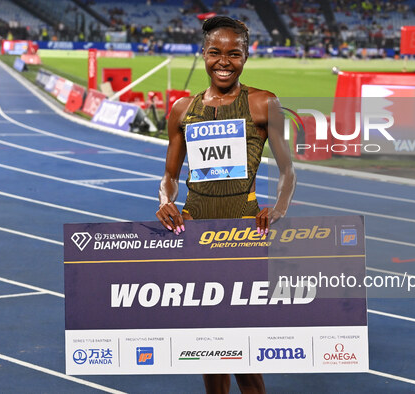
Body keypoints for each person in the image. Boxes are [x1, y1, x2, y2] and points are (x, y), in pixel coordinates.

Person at [155, 16, 296, 394]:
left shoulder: (265, 104)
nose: (224, 61)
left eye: (234, 54)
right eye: (215, 52)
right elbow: (168, 176)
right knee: (207, 344)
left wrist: (279, 207)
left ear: (246, 57)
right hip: (193, 231)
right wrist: (166, 200)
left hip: (244, 232)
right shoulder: (183, 110)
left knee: (243, 344)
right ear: (203, 54)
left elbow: (288, 172)